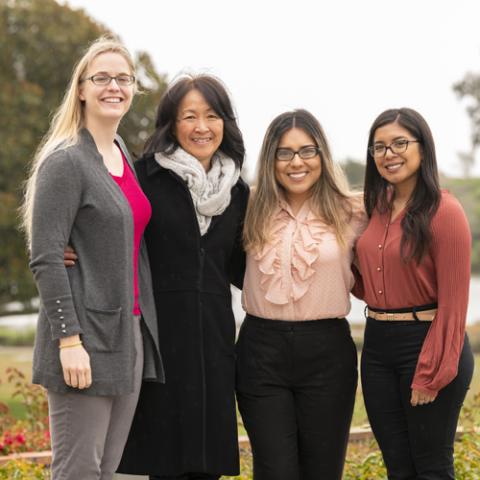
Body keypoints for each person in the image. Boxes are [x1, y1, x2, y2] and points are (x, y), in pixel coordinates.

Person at [22, 37, 164, 480]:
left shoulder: (122, 154)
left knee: (111, 472)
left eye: (123, 78)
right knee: (78, 471)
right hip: (82, 341)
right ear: (81, 88)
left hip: (129, 336)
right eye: (101, 77)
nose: (114, 87)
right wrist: (68, 341)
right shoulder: (65, 161)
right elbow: (46, 257)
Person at [116, 74, 249, 480]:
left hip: (214, 346)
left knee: (207, 466)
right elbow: (110, 229)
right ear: (171, 125)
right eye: (189, 116)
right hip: (158, 344)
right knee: (163, 464)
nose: (201, 127)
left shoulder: (238, 192)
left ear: (225, 122)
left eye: (211, 115)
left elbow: (246, 269)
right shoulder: (143, 178)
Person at [236, 109, 366, 480]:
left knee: (323, 472)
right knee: (275, 471)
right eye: (284, 152)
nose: (297, 162)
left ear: (322, 155)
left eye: (307, 151)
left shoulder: (353, 210)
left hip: (328, 353)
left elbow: (409, 221)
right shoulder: (246, 205)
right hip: (261, 352)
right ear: (271, 159)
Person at [354, 108, 474, 479]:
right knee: (399, 469)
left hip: (426, 342)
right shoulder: (375, 208)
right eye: (379, 147)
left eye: (400, 143)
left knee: (432, 468)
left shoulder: (444, 211)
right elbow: (368, 281)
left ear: (423, 148)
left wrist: (430, 372)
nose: (389, 154)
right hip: (376, 348)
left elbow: (455, 306)